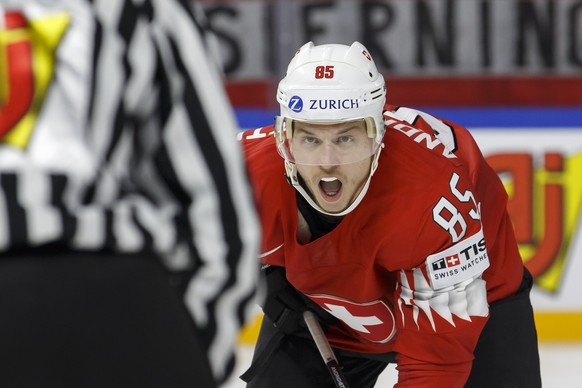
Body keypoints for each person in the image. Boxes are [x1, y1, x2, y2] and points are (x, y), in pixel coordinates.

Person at [239, 41, 541, 387]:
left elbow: (434, 368)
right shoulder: (241, 172)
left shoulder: (431, 197)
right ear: (284, 139)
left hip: (477, 310)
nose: (327, 163)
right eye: (309, 139)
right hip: (325, 315)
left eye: (346, 139)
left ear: (378, 136)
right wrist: (263, 267)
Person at [0, 1, 261, 387]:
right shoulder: (145, 8)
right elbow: (216, 207)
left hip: (111, 307)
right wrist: (187, 350)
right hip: (115, 309)